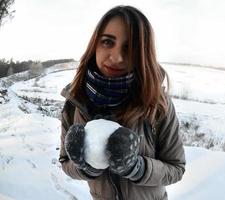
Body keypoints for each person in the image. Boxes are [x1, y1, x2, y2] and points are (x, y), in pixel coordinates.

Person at [59, 5, 185, 200]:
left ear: (143, 54)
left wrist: (136, 167)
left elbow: (176, 168)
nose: (117, 57)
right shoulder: (74, 102)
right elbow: (65, 163)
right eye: (108, 42)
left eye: (130, 48)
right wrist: (85, 167)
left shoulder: (158, 105)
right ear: (95, 45)